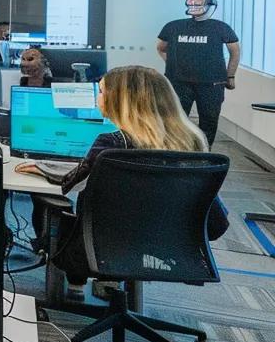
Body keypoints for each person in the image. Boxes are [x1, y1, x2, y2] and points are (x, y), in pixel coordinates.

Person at [17, 67, 228, 298]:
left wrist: (45, 169)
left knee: (44, 198)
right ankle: (110, 285)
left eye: (101, 92)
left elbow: (70, 185)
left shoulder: (112, 145)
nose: (97, 98)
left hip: (101, 247)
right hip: (170, 248)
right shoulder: (193, 143)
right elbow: (213, 220)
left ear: (120, 101)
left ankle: (71, 284)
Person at [158, 0, 240, 145]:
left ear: (209, 5)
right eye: (191, 2)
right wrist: (174, 65)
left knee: (209, 122)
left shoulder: (220, 27)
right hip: (179, 83)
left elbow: (235, 52)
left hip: (212, 84)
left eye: (198, 3)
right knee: (174, 120)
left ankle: (204, 155)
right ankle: (174, 153)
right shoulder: (173, 26)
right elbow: (161, 48)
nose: (194, 5)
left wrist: (230, 76)